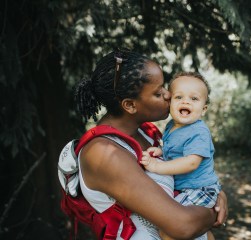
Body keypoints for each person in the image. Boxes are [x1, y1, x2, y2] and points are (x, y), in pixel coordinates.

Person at [74, 48, 228, 240]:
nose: (169, 95)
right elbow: (183, 225)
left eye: (164, 86)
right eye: (158, 92)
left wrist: (215, 193)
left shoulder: (145, 133)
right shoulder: (103, 153)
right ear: (130, 105)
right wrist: (215, 208)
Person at [140, 72, 220, 240]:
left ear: (203, 109)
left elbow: (191, 162)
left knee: (168, 229)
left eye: (194, 99)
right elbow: (174, 149)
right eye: (179, 97)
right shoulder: (171, 126)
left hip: (200, 189)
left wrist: (157, 166)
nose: (186, 101)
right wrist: (161, 152)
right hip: (185, 189)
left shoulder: (199, 132)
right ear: (170, 103)